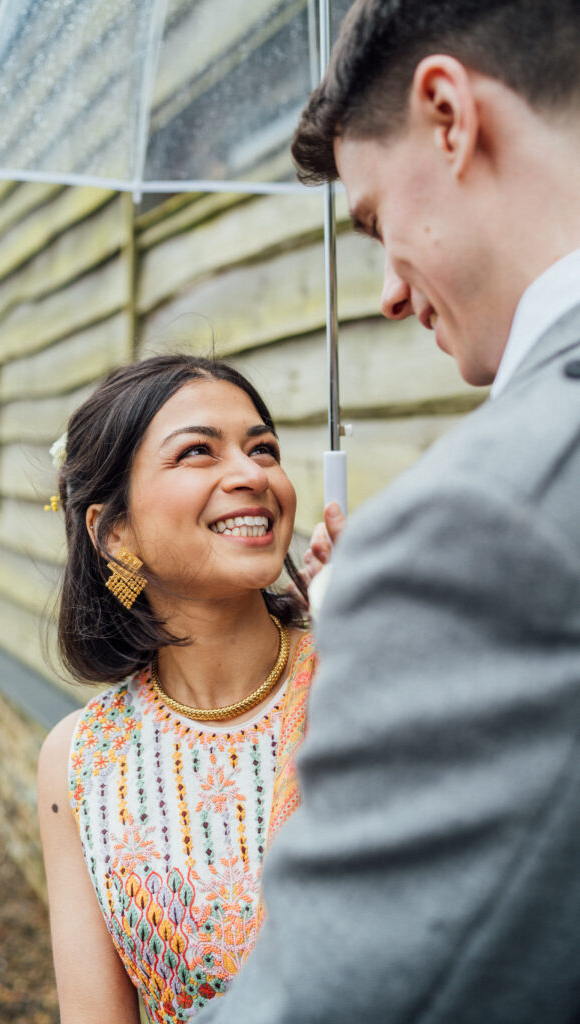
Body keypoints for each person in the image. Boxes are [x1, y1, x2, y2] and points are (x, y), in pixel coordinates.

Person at [198, 1, 580, 1022]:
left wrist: (390, 613)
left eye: (372, 220)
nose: (384, 295)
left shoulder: (479, 531)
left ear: (448, 116)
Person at [37, 355, 317, 1024]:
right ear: (114, 532)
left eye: (263, 449)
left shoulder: (370, 681)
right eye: (197, 452)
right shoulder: (80, 761)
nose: (253, 475)